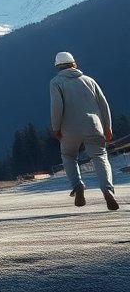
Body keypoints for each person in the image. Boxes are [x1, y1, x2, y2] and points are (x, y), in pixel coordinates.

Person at [50, 51, 118, 211]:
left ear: (58, 66)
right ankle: (107, 190)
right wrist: (107, 127)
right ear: (74, 64)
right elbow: (103, 105)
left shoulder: (56, 82)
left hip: (69, 129)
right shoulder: (89, 80)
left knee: (69, 156)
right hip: (93, 126)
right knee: (100, 156)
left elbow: (57, 106)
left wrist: (56, 128)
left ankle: (78, 186)